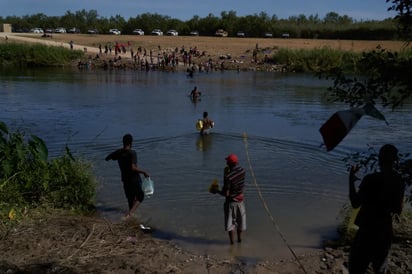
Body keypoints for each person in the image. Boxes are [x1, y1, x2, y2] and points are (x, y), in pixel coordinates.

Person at [348, 144, 405, 274]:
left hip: (367, 229)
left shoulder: (370, 179)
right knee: (380, 267)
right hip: (385, 229)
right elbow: (398, 209)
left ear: (379, 159)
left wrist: (351, 180)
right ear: (395, 160)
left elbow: (355, 203)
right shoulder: (399, 181)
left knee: (356, 267)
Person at [105, 134, 150, 218]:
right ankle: (129, 215)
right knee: (140, 196)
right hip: (134, 179)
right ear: (131, 142)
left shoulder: (119, 152)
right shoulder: (132, 153)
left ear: (123, 142)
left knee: (130, 200)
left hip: (125, 180)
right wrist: (144, 172)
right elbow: (133, 168)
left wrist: (116, 156)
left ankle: (132, 220)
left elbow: (107, 158)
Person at [212, 154, 246, 244]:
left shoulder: (228, 177)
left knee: (231, 224)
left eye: (227, 161)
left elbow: (226, 194)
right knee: (240, 222)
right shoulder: (243, 171)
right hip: (241, 201)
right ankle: (239, 240)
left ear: (229, 163)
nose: (226, 163)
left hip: (231, 203)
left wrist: (216, 190)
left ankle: (231, 243)